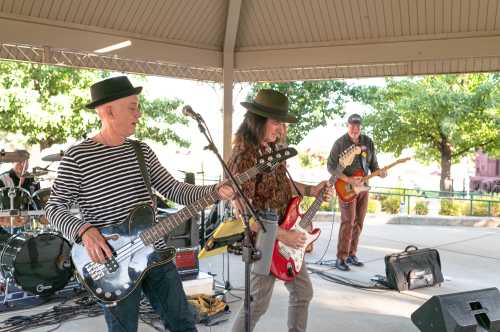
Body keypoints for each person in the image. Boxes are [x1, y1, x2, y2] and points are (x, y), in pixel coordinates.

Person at [45, 76, 234, 332]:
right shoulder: (78, 156)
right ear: (109, 111)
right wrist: (84, 231)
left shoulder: (141, 151)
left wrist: (215, 191)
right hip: (112, 263)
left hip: (155, 253)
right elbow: (53, 208)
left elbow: (175, 190)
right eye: (132, 107)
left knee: (183, 323)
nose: (139, 114)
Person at [229, 89, 332, 332]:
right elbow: (244, 214)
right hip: (264, 241)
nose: (281, 129)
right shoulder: (244, 157)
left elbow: (285, 185)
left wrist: (311, 190)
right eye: (276, 122)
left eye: (282, 124)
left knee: (303, 292)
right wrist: (284, 236)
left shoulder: (275, 151)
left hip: (287, 235)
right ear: (258, 121)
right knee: (255, 306)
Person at [327, 114, 386, 272]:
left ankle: (352, 254)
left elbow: (373, 165)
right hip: (346, 187)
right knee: (348, 221)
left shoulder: (368, 142)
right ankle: (341, 258)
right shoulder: (340, 143)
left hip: (363, 187)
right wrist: (348, 180)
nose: (355, 129)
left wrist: (380, 172)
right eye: (352, 126)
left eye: (357, 126)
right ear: (347, 126)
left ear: (361, 127)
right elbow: (331, 167)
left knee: (359, 221)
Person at [0, 158, 40, 231]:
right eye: (20, 161)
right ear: (12, 162)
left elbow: (36, 201)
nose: (23, 164)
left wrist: (40, 215)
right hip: (7, 223)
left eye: (25, 161)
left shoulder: (33, 179)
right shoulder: (3, 178)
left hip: (28, 221)